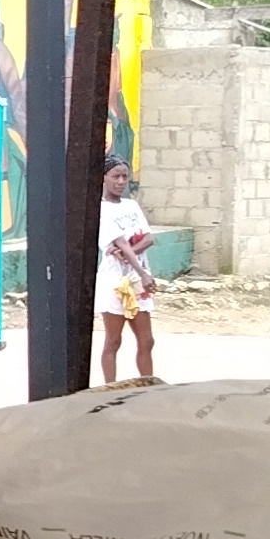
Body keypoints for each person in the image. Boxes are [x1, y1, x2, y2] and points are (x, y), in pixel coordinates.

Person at [95, 162, 159, 383]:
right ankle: (110, 387)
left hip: (137, 279)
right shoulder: (100, 209)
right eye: (115, 176)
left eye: (124, 176)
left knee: (146, 339)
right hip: (115, 280)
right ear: (104, 177)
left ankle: (148, 385)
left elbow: (148, 238)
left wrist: (131, 255)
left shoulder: (131, 206)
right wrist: (142, 272)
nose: (121, 181)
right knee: (113, 340)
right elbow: (119, 243)